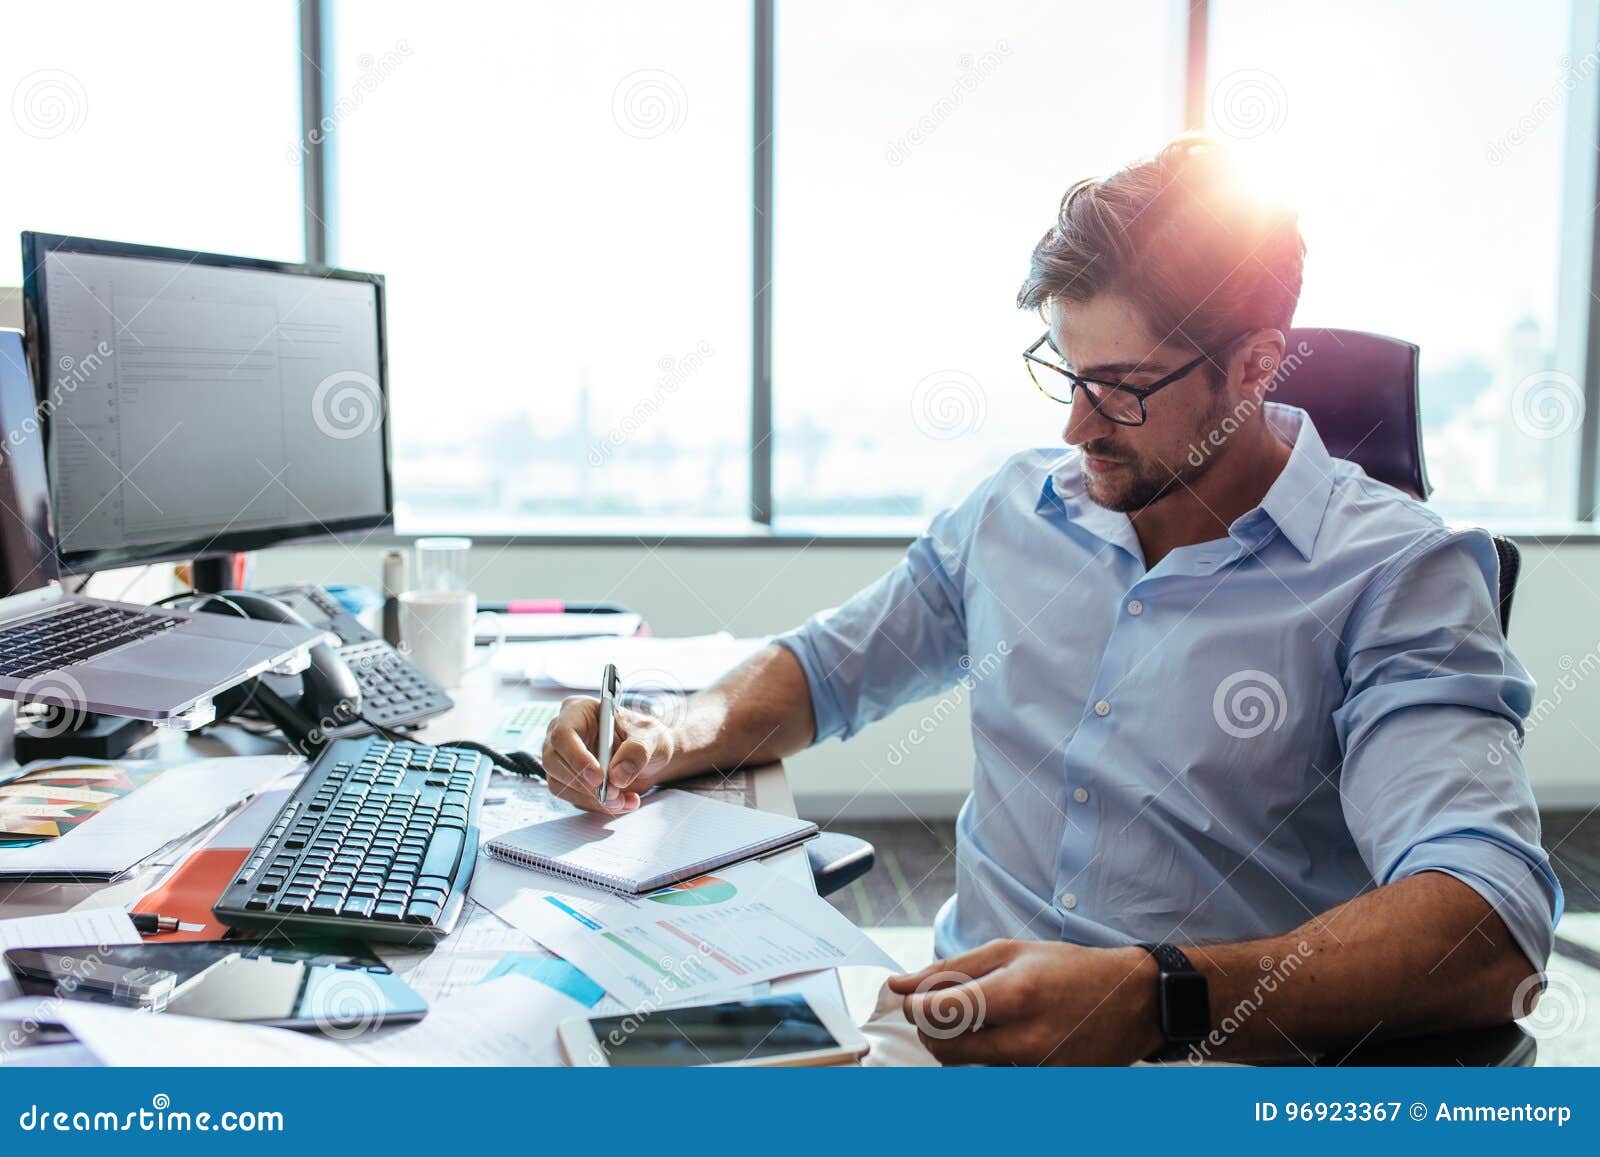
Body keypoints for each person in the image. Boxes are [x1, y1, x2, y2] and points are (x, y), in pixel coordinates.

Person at [542, 137, 1561, 1065]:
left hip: (1207, 1069)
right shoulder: (1016, 508)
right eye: (1063, 373)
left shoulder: (1396, 576)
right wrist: (668, 730)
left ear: (1252, 369)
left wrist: (1149, 991)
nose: (1077, 426)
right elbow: (826, 667)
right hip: (946, 1036)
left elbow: (1488, 924)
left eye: (1120, 387)